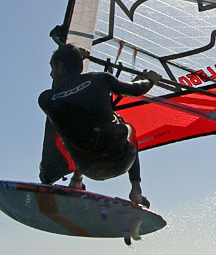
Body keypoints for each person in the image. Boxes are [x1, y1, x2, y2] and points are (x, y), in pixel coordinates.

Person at [38, 43, 160, 207]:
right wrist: (150, 80)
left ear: (60, 66)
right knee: (125, 125)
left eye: (52, 68)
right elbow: (135, 90)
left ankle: (76, 180)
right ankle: (136, 190)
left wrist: (74, 57)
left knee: (79, 129)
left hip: (89, 168)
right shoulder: (100, 79)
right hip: (122, 160)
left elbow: (62, 94)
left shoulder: (46, 99)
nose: (50, 73)